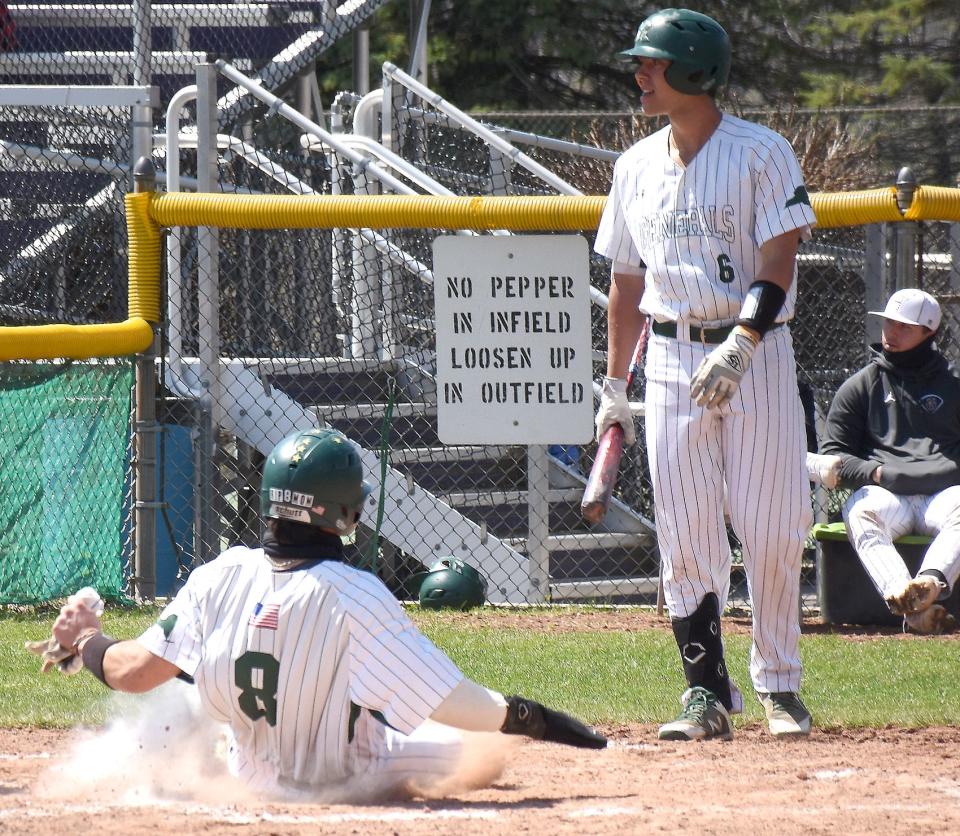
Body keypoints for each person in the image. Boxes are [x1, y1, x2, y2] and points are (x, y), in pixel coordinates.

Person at [43, 428, 606, 798]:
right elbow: (466, 706)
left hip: (247, 777)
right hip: (339, 779)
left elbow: (131, 673)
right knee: (482, 749)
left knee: (196, 694)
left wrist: (88, 639)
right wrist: (538, 720)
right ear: (343, 511)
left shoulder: (220, 572)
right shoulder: (353, 593)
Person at [594, 8, 817, 741]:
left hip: (755, 355)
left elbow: (778, 262)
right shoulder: (633, 166)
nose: (640, 75)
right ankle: (706, 693)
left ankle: (780, 685)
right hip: (670, 355)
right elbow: (626, 286)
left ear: (694, 70)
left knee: (772, 525)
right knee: (685, 534)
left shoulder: (762, 152)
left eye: (653, 64)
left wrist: (744, 342)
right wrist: (614, 389)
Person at [820, 289, 960, 635]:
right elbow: (833, 455)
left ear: (930, 332)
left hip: (942, 494)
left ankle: (929, 582)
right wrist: (876, 472)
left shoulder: (954, 384)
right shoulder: (861, 386)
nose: (890, 334)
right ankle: (904, 594)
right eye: (887, 324)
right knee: (859, 508)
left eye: (904, 327)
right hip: (889, 494)